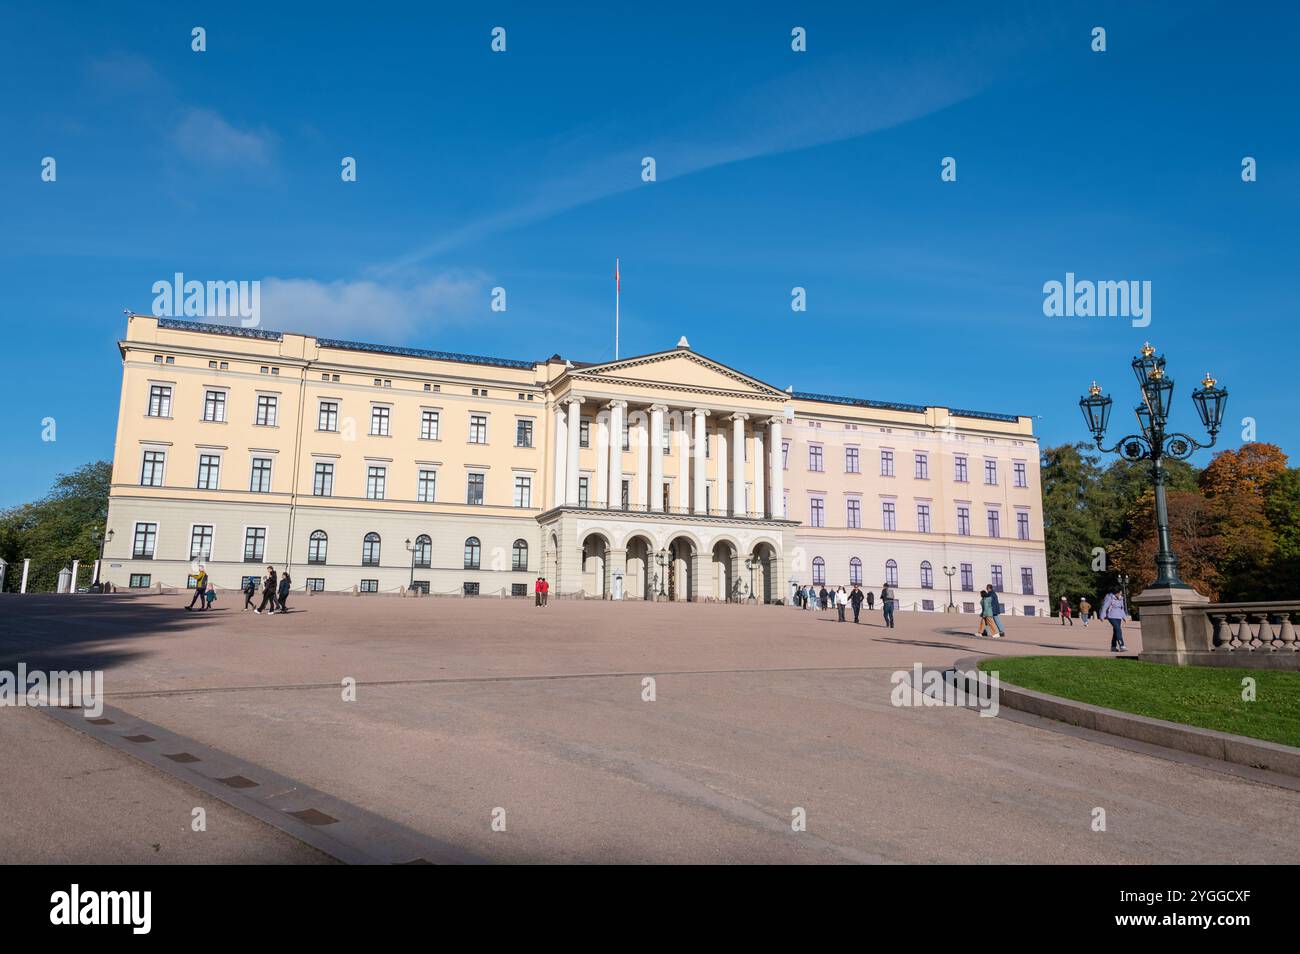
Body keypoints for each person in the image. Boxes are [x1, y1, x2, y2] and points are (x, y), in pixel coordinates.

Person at [1100, 586, 1129, 653]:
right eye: (1120, 593)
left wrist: (1124, 617)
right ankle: (1122, 645)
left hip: (1119, 617)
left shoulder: (1121, 598)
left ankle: (1113, 646)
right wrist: (1102, 616)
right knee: (1118, 629)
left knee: (1116, 631)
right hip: (1111, 616)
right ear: (1116, 593)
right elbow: (1105, 607)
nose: (1121, 594)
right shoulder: (1109, 598)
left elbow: (1122, 609)